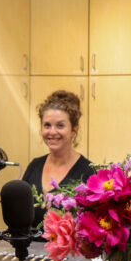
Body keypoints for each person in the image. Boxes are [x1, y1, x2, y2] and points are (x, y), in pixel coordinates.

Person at [23, 90, 94, 228]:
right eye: (47, 125)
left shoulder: (89, 173)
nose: (52, 132)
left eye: (60, 125)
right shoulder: (34, 166)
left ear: (74, 130)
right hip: (30, 249)